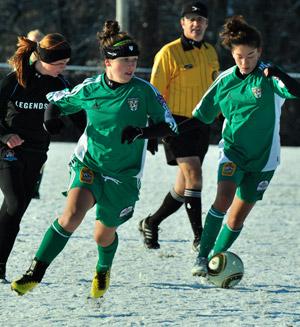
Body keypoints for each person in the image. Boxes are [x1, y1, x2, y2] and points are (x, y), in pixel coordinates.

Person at [11, 20, 177, 298]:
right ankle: (35, 273)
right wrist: (50, 121)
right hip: (90, 165)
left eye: (134, 60)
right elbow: (56, 99)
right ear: (107, 63)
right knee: (71, 215)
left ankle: (102, 269)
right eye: (125, 60)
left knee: (102, 235)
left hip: (124, 176)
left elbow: (170, 125)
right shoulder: (91, 88)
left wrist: (143, 132)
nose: (131, 66)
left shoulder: (144, 91)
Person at [185, 15, 300, 276]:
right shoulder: (225, 81)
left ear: (259, 52)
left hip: (264, 160)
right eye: (239, 57)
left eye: (250, 56)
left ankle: (216, 262)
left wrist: (280, 72)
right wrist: (169, 132)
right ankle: (202, 257)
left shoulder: (269, 77)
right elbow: (200, 116)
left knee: (237, 218)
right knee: (223, 198)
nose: (245, 62)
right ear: (232, 54)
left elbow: (296, 90)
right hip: (232, 152)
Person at [138, 1, 219, 251]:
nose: (196, 24)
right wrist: (152, 129)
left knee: (184, 185)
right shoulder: (168, 53)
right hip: (175, 124)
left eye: (201, 20)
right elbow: (154, 94)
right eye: (191, 20)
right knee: (194, 175)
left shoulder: (210, 52)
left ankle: (151, 222)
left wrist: (223, 113)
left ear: (206, 24)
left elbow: (216, 88)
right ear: (182, 23)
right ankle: (200, 237)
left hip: (201, 124)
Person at [0, 33, 72, 283]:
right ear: (45, 59)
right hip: (7, 150)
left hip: (36, 153)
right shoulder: (14, 80)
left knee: (14, 212)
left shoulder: (60, 85)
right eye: (60, 63)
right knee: (14, 203)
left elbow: (76, 117)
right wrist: (5, 135)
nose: (64, 68)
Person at [27, 29, 46, 199]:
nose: (37, 45)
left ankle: (35, 186)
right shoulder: (22, 62)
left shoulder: (47, 63)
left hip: (40, 116)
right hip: (23, 115)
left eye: (39, 42)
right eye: (33, 41)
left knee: (40, 156)